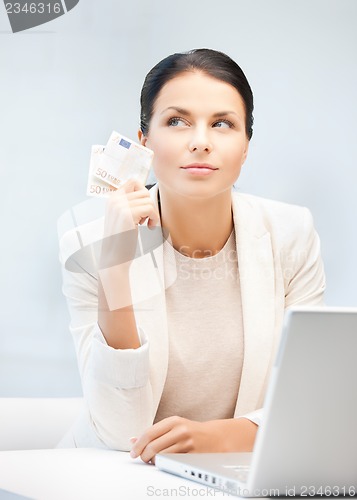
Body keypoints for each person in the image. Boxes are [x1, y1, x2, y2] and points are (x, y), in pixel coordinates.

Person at [58, 48, 326, 463]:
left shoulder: (291, 233)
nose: (200, 142)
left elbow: (309, 404)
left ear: (246, 146)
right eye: (177, 121)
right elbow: (118, 430)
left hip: (235, 474)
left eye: (222, 124)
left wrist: (217, 438)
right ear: (144, 143)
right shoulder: (86, 243)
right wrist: (114, 268)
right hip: (112, 476)